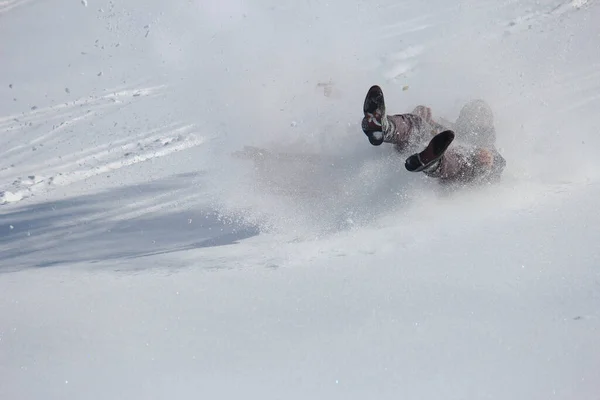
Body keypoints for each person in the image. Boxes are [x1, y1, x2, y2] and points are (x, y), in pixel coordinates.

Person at [361, 85, 506, 185]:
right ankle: (384, 127)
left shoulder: (488, 150)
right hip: (412, 149)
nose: (476, 118)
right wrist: (420, 114)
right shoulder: (447, 128)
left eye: (482, 116)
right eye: (471, 114)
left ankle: (433, 162)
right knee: (418, 123)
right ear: (462, 117)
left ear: (489, 124)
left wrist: (487, 165)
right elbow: (425, 123)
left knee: (461, 157)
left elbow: (498, 169)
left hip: (445, 178)